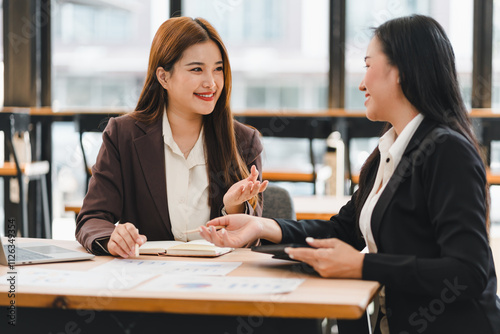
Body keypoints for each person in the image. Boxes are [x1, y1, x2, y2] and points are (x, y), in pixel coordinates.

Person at [200, 15, 500, 334]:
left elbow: (469, 271)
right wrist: (260, 225)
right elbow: (343, 231)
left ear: (400, 72)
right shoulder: (388, 151)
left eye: (369, 65)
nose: (361, 83)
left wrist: (363, 265)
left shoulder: (446, 151)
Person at [76, 17, 268, 258]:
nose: (211, 82)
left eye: (218, 69)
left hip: (221, 281)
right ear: (163, 77)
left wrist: (234, 207)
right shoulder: (123, 135)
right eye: (197, 69)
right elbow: (92, 218)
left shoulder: (244, 141)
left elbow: (256, 237)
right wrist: (114, 237)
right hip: (146, 280)